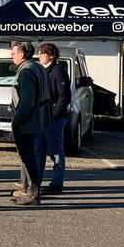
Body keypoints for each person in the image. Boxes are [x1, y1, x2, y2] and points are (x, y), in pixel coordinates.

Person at [10, 42, 53, 206]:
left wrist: (18, 120)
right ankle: (30, 191)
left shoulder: (27, 71)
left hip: (28, 121)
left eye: (13, 53)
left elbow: (27, 100)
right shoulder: (38, 67)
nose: (11, 55)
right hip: (37, 119)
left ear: (22, 55)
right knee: (30, 157)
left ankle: (33, 194)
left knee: (28, 158)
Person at [35, 43, 71, 194]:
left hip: (54, 119)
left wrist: (54, 114)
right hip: (43, 117)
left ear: (51, 55)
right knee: (38, 150)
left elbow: (64, 96)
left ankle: (57, 183)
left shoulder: (58, 71)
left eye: (42, 53)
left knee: (55, 151)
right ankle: (35, 181)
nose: (39, 56)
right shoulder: (43, 71)